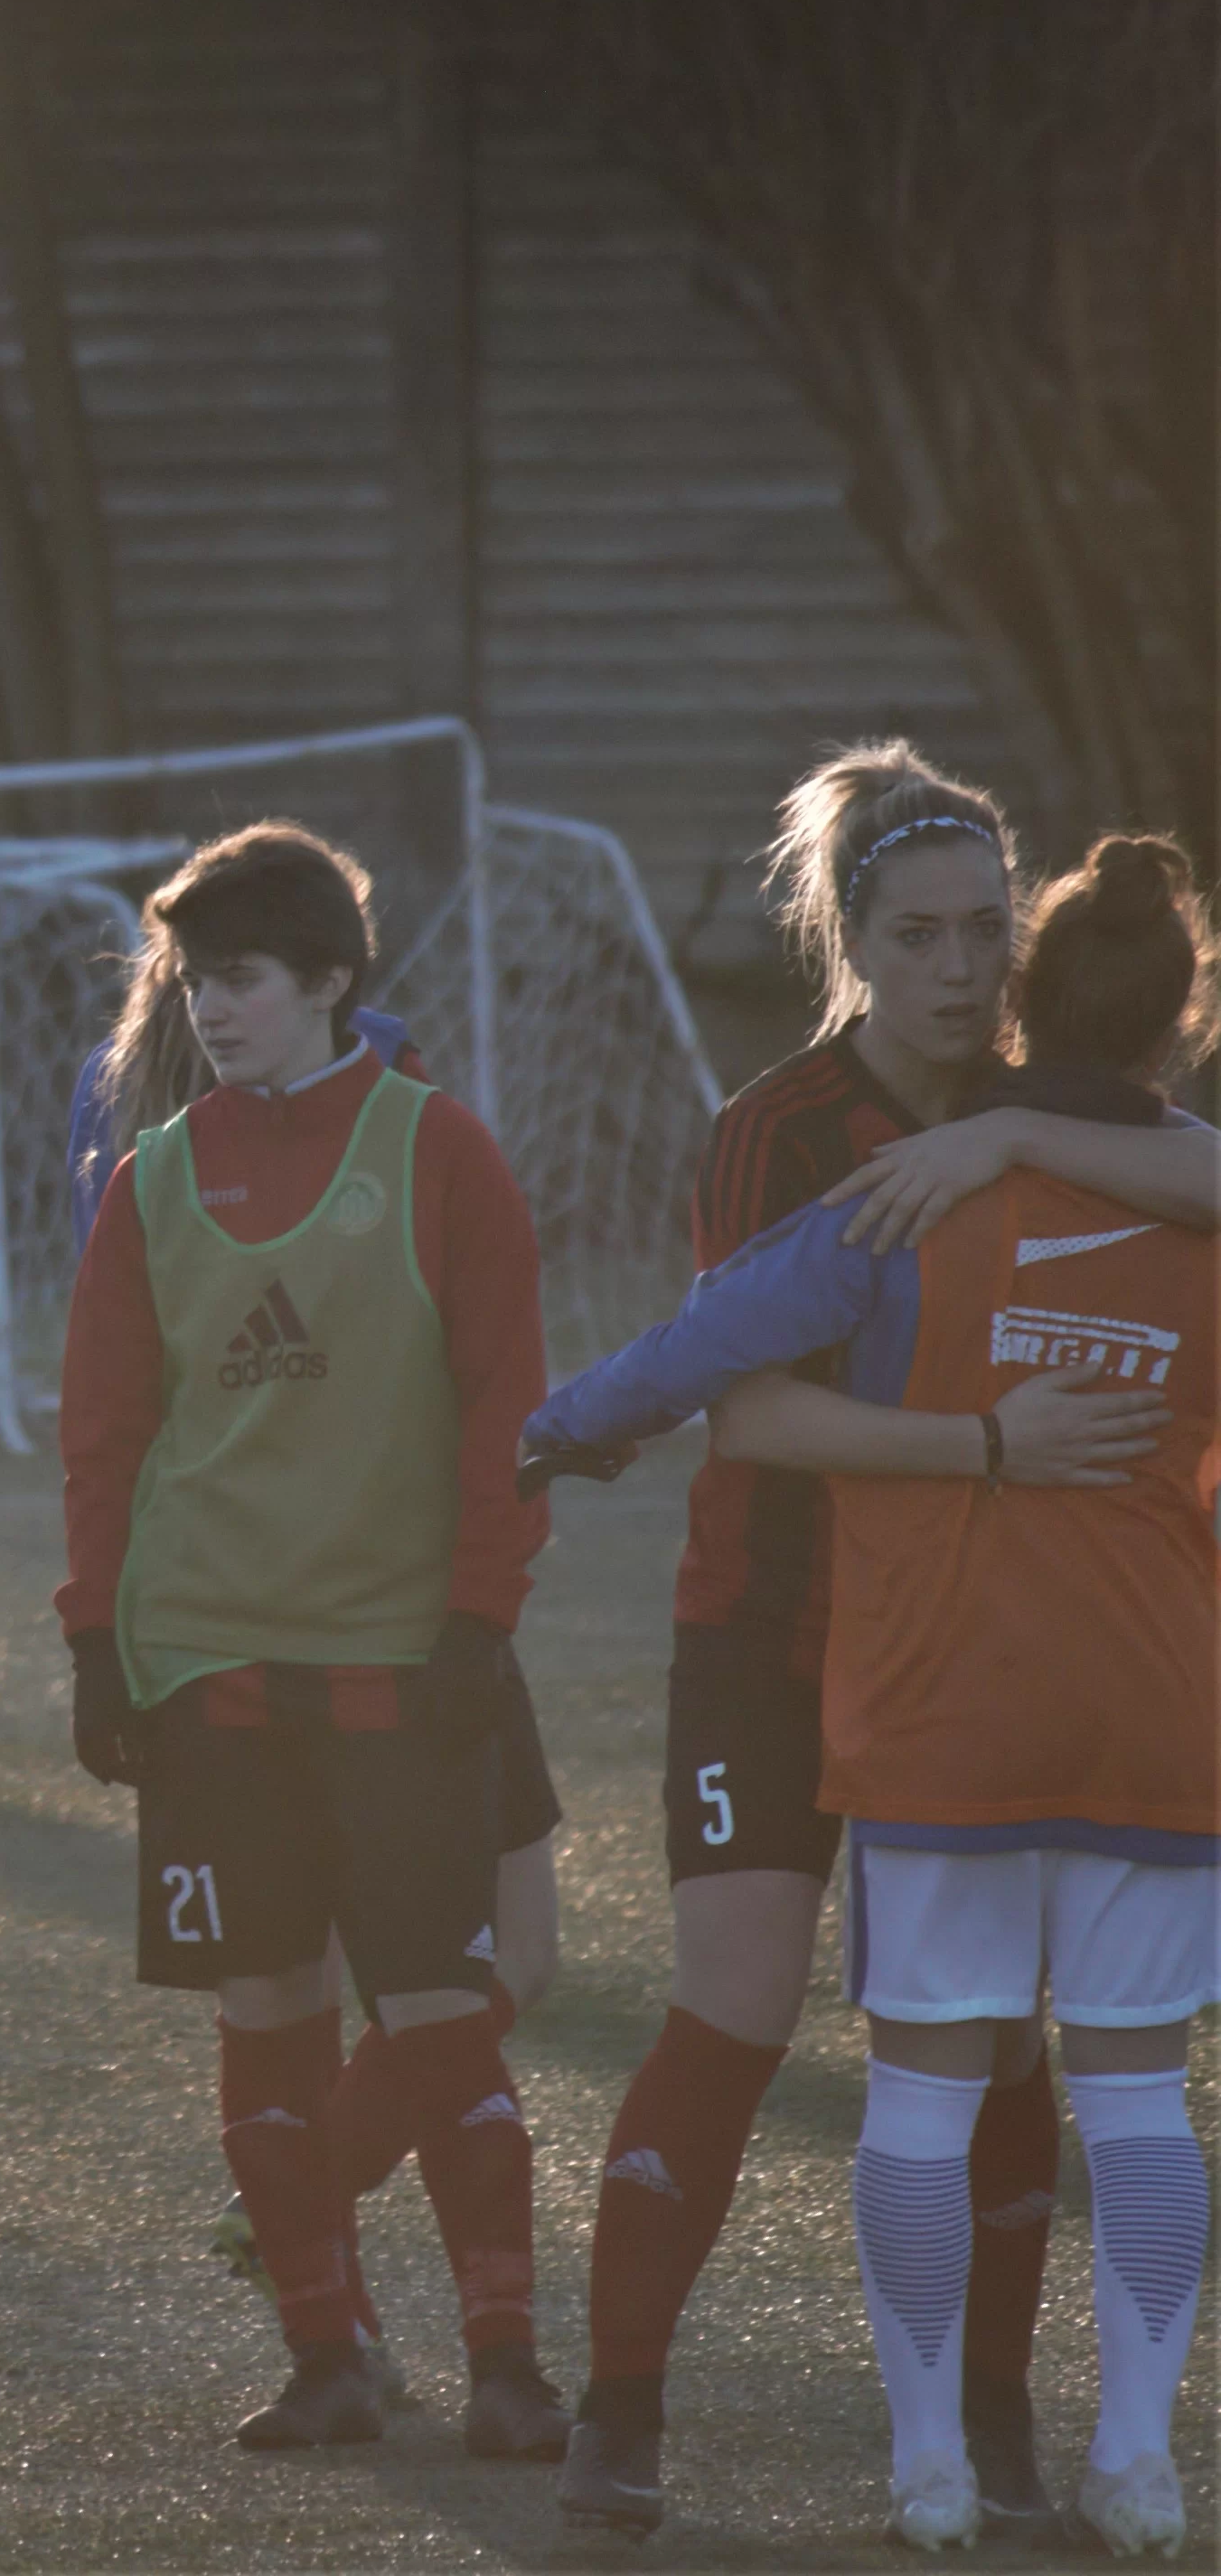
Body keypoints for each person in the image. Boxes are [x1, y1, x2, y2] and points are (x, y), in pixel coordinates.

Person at [547, 743, 1219, 2536]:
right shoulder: (783, 1129)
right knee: (738, 2001)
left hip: (971, 1666)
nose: (958, 967)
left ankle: (992, 2425)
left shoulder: (1047, 1121)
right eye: (919, 934)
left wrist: (1002, 1129)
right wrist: (986, 1448)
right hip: (773, 1627)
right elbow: (747, 1414)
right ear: (850, 942)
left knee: (993, 2047)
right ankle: (617, 2410)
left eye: (988, 931)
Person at [53, 822, 565, 2465]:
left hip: (400, 1660)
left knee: (439, 2011)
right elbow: (105, 1437)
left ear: (336, 982)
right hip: (211, 1664)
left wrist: (481, 1616)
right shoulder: (150, 1182)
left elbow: (510, 1404)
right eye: (197, 980)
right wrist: (95, 1645)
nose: (215, 1008)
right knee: (265, 2013)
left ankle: (508, 2363)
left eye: (248, 979)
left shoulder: (437, 1152)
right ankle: (327, 2353)